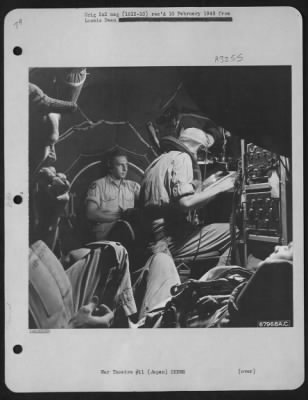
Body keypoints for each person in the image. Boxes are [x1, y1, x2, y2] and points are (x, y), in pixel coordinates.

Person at [139, 116, 235, 263]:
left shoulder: (157, 162)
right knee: (235, 231)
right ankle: (216, 281)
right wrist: (222, 186)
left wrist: (210, 184)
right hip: (171, 242)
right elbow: (186, 203)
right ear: (201, 148)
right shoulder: (183, 158)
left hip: (152, 242)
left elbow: (170, 197)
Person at [86, 149, 141, 241]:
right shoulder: (98, 185)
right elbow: (90, 213)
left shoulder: (133, 186)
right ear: (110, 166)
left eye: (126, 165)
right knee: (123, 227)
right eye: (120, 165)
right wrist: (118, 218)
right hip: (105, 232)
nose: (125, 169)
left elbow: (147, 205)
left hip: (129, 231)